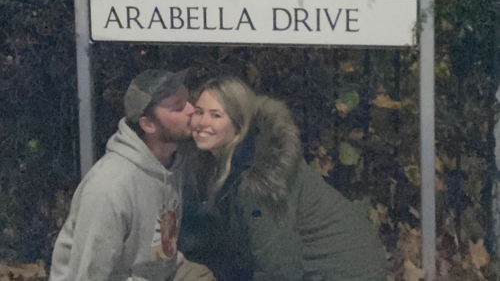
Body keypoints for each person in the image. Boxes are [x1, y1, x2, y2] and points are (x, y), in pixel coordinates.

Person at [179, 76, 388, 281]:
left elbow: (279, 267)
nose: (202, 122)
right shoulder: (219, 161)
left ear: (239, 124)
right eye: (199, 112)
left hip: (342, 271)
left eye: (216, 115)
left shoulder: (259, 179)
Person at [49, 69, 216, 281]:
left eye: (188, 101)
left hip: (161, 271)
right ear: (148, 124)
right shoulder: (109, 186)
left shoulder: (173, 162)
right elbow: (88, 272)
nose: (192, 110)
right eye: (178, 107)